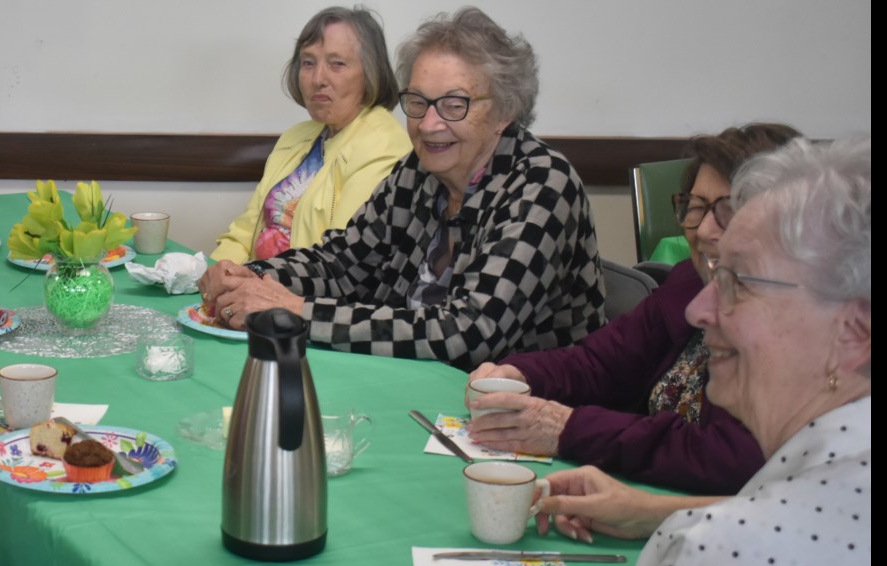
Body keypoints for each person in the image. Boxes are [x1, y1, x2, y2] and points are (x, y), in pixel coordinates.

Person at [538, 136, 871, 566]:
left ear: (854, 332)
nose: (699, 309)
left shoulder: (733, 554)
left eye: (739, 283)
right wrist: (648, 510)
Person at [200, 8, 605, 371]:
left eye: (454, 104)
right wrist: (248, 277)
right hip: (412, 385)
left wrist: (300, 312)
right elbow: (341, 265)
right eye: (418, 102)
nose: (428, 124)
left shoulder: (542, 184)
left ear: (504, 110)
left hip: (523, 415)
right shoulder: (420, 169)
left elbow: (467, 334)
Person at [466, 124, 800, 494]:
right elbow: (602, 363)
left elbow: (726, 456)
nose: (704, 230)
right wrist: (519, 373)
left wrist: (568, 429)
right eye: (697, 206)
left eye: (728, 210)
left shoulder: (794, 322)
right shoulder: (689, 281)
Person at [211, 7, 412, 263]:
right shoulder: (295, 137)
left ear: (370, 73)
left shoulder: (383, 144)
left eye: (337, 63)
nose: (318, 78)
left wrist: (249, 283)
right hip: (253, 288)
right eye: (308, 63)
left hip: (306, 296)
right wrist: (218, 272)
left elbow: (342, 260)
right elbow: (242, 234)